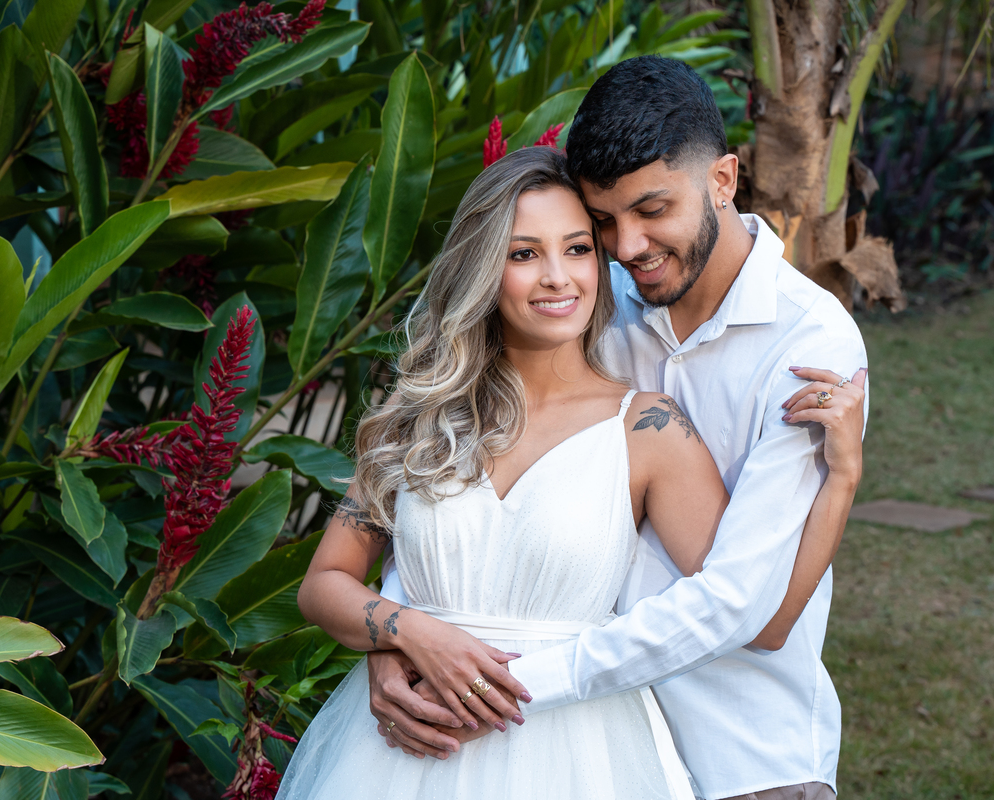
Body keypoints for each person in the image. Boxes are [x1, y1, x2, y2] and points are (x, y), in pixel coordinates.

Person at [275, 145, 864, 800]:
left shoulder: (649, 429)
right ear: (482, 267)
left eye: (578, 249)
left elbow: (758, 615)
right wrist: (403, 633)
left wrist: (840, 480)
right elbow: (323, 584)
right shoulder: (417, 412)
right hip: (400, 746)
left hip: (573, 753)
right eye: (524, 253)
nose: (558, 276)